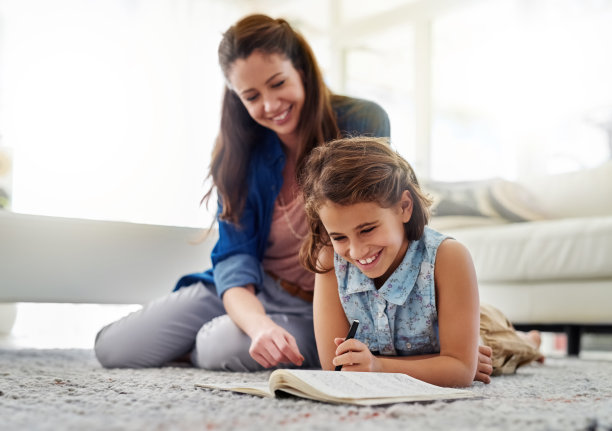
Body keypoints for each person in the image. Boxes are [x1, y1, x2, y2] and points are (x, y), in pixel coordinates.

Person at [93, 14, 390, 371]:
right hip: (249, 290)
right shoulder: (240, 152)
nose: (269, 105)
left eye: (277, 83)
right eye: (251, 96)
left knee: (218, 345)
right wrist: (259, 324)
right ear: (237, 98)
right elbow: (234, 259)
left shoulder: (362, 121)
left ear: (302, 70)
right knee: (113, 348)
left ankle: (213, 343)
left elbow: (383, 223)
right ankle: (231, 334)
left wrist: (442, 340)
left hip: (320, 302)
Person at [299, 137, 543, 387]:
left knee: (506, 347)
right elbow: (334, 366)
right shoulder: (330, 260)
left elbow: (459, 371)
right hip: (436, 343)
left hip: (481, 328)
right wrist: (441, 362)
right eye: (339, 236)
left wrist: (378, 366)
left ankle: (529, 340)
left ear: (404, 206)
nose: (356, 250)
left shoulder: (450, 256)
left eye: (367, 229)